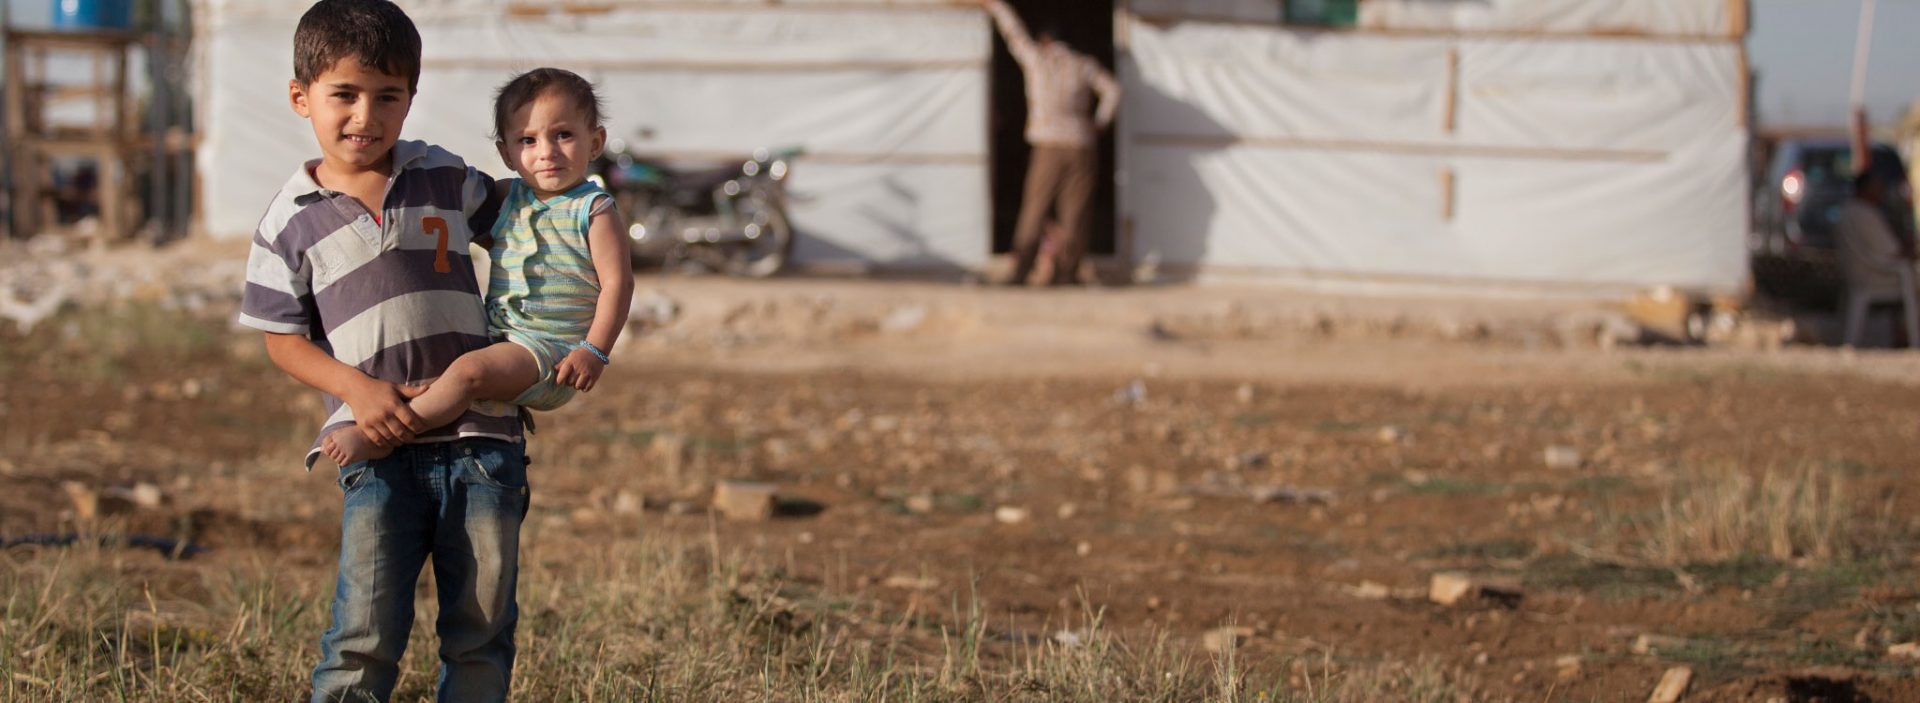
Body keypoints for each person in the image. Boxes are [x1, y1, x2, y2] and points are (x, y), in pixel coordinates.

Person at [235, 1, 520, 699]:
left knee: (481, 627)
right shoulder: (287, 219)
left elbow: (520, 225)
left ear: (411, 98)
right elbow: (281, 337)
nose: (366, 115)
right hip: (376, 442)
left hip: (479, 437)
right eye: (345, 94)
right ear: (302, 98)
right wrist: (356, 389)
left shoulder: (444, 176)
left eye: (387, 96)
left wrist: (578, 200)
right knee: (362, 632)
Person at [320, 67, 634, 467]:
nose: (547, 152)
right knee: (443, 363)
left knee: (468, 373)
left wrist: (594, 351)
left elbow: (618, 285)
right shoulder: (507, 198)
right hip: (501, 338)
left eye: (564, 135)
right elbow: (451, 217)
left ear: (596, 142)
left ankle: (384, 434)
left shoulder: (593, 210)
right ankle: (412, 418)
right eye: (528, 140)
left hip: (552, 352)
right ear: (506, 154)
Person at [975, 0, 1121, 286]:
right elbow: (1114, 91)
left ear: (1045, 40)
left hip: (1049, 144)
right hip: (1081, 143)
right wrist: (1099, 123)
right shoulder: (1083, 65)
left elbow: (1014, 33)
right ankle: (1067, 272)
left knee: (1035, 207)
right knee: (1075, 211)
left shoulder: (1038, 60)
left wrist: (995, 6)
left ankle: (1021, 270)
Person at [1834, 169, 1915, 346]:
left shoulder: (1850, 210)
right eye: (1877, 187)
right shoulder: (1865, 214)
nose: (1881, 191)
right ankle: (1908, 335)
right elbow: (1894, 252)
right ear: (1865, 189)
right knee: (1911, 277)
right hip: (1877, 275)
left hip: (1863, 273)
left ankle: (1903, 334)